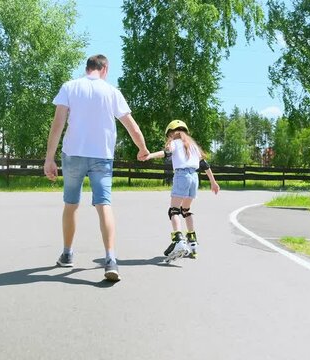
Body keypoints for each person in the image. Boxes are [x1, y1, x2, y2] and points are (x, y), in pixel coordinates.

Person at [43, 54, 149, 281]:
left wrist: (49, 158)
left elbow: (58, 124)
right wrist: (142, 148)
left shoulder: (70, 87)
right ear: (105, 69)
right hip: (102, 156)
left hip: (73, 154)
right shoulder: (112, 92)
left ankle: (67, 253)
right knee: (104, 205)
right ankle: (111, 259)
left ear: (87, 68)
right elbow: (131, 125)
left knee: (71, 204)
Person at [144, 119, 219, 262]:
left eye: (169, 135)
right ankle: (193, 243)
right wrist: (213, 182)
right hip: (194, 178)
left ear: (172, 133)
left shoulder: (174, 143)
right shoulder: (193, 145)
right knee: (186, 210)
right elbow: (204, 164)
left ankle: (179, 241)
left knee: (174, 210)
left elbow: (165, 153)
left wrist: (149, 155)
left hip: (182, 176)